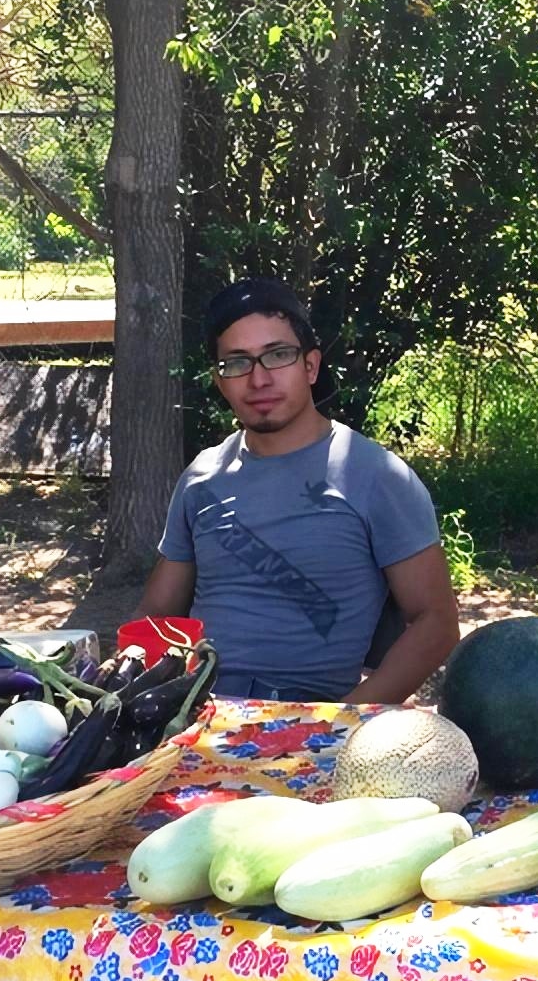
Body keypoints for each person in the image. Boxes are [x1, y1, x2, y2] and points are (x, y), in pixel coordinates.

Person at [138, 277, 459, 702]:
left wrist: (341, 725)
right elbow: (155, 617)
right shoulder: (201, 477)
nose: (258, 379)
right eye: (237, 363)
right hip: (195, 713)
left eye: (277, 355)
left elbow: (436, 622)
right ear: (220, 381)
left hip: (311, 721)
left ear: (310, 366)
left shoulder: (376, 476)